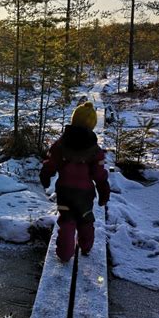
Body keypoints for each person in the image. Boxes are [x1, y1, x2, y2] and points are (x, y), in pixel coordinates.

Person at [39, 101, 110, 262]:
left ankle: (64, 253)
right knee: (85, 219)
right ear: (92, 125)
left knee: (67, 221)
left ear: (73, 120)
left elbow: (50, 163)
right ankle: (86, 247)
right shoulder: (95, 150)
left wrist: (45, 176)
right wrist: (103, 190)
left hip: (64, 191)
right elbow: (99, 174)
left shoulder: (60, 144)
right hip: (85, 194)